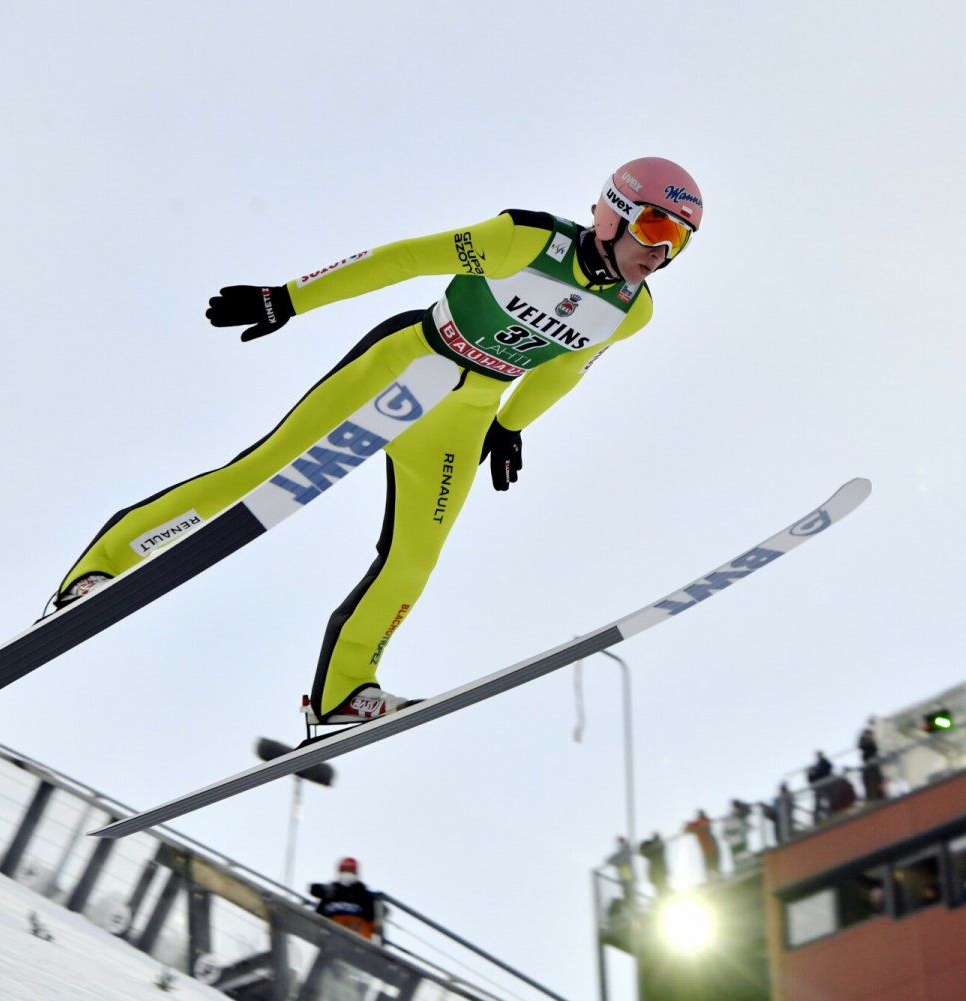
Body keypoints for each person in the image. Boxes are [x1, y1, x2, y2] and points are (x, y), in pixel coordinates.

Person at [45, 158, 704, 724]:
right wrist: (290, 299)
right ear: (613, 213)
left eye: (680, 241)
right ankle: (101, 568)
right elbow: (406, 259)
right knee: (259, 475)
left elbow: (565, 368)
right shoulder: (524, 242)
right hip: (411, 358)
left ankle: (341, 694)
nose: (662, 250)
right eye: (654, 226)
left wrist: (509, 426)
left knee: (414, 560)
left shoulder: (631, 309)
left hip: (467, 409)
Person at [309, 857, 381, 940]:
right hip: (329, 939)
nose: (347, 874)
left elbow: (375, 920)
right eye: (344, 870)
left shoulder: (365, 897)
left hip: (356, 941)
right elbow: (317, 916)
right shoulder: (330, 894)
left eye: (350, 870)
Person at [685, 809, 721, 881]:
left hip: (710, 846)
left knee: (712, 864)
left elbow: (688, 829)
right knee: (711, 864)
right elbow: (687, 829)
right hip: (708, 848)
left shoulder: (701, 822)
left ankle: (714, 876)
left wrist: (689, 826)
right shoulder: (698, 823)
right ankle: (713, 877)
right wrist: (689, 825)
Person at [858, 718, 886, 801]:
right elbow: (861, 746)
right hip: (869, 763)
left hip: (873, 762)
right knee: (872, 779)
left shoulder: (871, 740)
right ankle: (873, 796)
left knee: (877, 778)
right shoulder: (865, 739)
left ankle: (879, 795)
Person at [806, 751, 834, 821]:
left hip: (825, 785)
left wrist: (815, 771)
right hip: (819, 788)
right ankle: (818, 818)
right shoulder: (818, 765)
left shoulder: (824, 763)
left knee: (827, 801)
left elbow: (826, 770)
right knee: (819, 804)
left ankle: (828, 814)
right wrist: (810, 773)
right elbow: (811, 780)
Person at [639, 832, 670, 896]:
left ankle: (665, 897)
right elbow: (643, 850)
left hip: (660, 873)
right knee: (660, 889)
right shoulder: (652, 847)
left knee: (662, 889)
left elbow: (661, 847)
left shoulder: (659, 848)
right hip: (656, 873)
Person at [607, 835, 636, 903]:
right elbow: (610, 860)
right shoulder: (625, 851)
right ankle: (629, 903)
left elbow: (612, 860)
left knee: (628, 893)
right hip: (625, 877)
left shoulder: (625, 851)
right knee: (627, 893)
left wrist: (615, 862)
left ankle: (629, 903)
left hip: (627, 876)